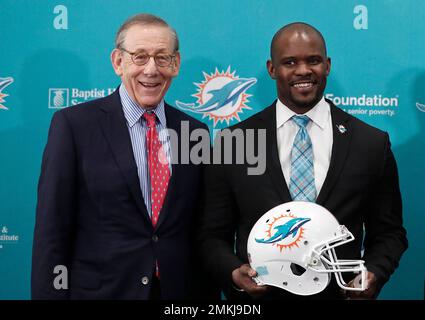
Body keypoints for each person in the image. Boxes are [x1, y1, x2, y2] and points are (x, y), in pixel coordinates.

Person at [198, 22, 408, 300]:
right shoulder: (234, 142)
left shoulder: (370, 143)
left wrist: (374, 273)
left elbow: (390, 233)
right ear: (272, 69)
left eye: (313, 60)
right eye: (290, 62)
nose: (303, 71)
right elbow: (210, 235)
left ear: (328, 65)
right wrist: (234, 273)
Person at [32, 13, 218, 300]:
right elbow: (52, 231)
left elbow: (199, 230)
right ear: (118, 62)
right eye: (140, 57)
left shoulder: (195, 131)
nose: (152, 70)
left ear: (176, 64)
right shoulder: (74, 126)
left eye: (162, 58)